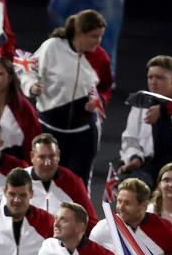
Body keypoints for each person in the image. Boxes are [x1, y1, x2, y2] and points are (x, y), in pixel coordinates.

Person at [18, 10, 110, 184]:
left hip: (83, 133)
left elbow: (105, 88)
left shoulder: (101, 57)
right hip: (49, 128)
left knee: (78, 185)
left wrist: (100, 101)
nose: (98, 42)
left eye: (100, 36)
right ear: (78, 33)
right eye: (93, 36)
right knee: (43, 182)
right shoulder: (52, 47)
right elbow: (27, 69)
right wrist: (31, 86)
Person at [117, 55, 172, 197]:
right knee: (134, 189)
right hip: (151, 164)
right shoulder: (141, 103)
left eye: (159, 78)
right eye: (150, 77)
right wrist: (135, 157)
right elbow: (130, 138)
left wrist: (164, 109)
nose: (153, 82)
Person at [89, 178, 172, 255]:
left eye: (127, 203)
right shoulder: (101, 230)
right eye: (119, 201)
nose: (121, 207)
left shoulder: (164, 229)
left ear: (143, 205)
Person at [25, 133, 98, 225]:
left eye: (52, 156)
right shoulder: (19, 180)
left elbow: (90, 221)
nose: (47, 163)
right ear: (32, 157)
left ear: (58, 155)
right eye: (42, 157)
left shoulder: (72, 182)